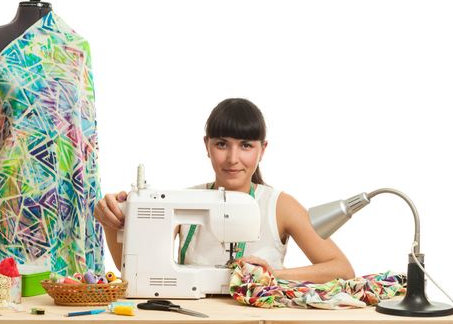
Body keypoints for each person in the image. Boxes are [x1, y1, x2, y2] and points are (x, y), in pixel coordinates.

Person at [94, 98, 355, 283]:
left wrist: (274, 275)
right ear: (207, 145)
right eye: (222, 144)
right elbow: (135, 268)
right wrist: (112, 222)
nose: (232, 158)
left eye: (245, 146)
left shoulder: (279, 206)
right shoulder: (183, 202)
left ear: (262, 149)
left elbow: (341, 269)